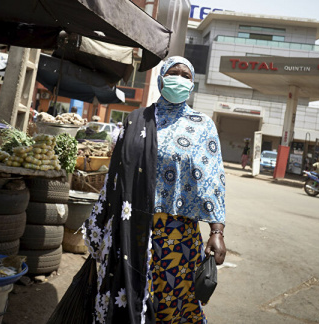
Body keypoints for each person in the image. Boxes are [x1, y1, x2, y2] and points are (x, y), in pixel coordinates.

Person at [81, 56, 226, 323]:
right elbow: (116, 175)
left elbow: (212, 180)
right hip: (132, 227)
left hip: (177, 235)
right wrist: (99, 224)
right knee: (129, 299)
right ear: (161, 79)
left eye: (186, 76)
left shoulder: (202, 126)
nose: (179, 79)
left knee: (171, 304)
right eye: (174, 73)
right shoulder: (136, 120)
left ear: (192, 84)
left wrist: (216, 231)